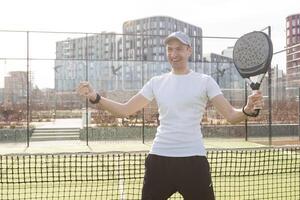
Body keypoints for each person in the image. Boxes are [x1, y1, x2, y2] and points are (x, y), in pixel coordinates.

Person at [76, 31, 264, 200]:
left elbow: (231, 116)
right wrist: (95, 97)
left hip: (193, 161)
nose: (174, 54)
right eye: (170, 49)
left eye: (179, 49)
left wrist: (247, 110)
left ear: (189, 50)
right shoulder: (156, 82)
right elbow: (125, 110)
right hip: (159, 160)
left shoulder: (205, 81)